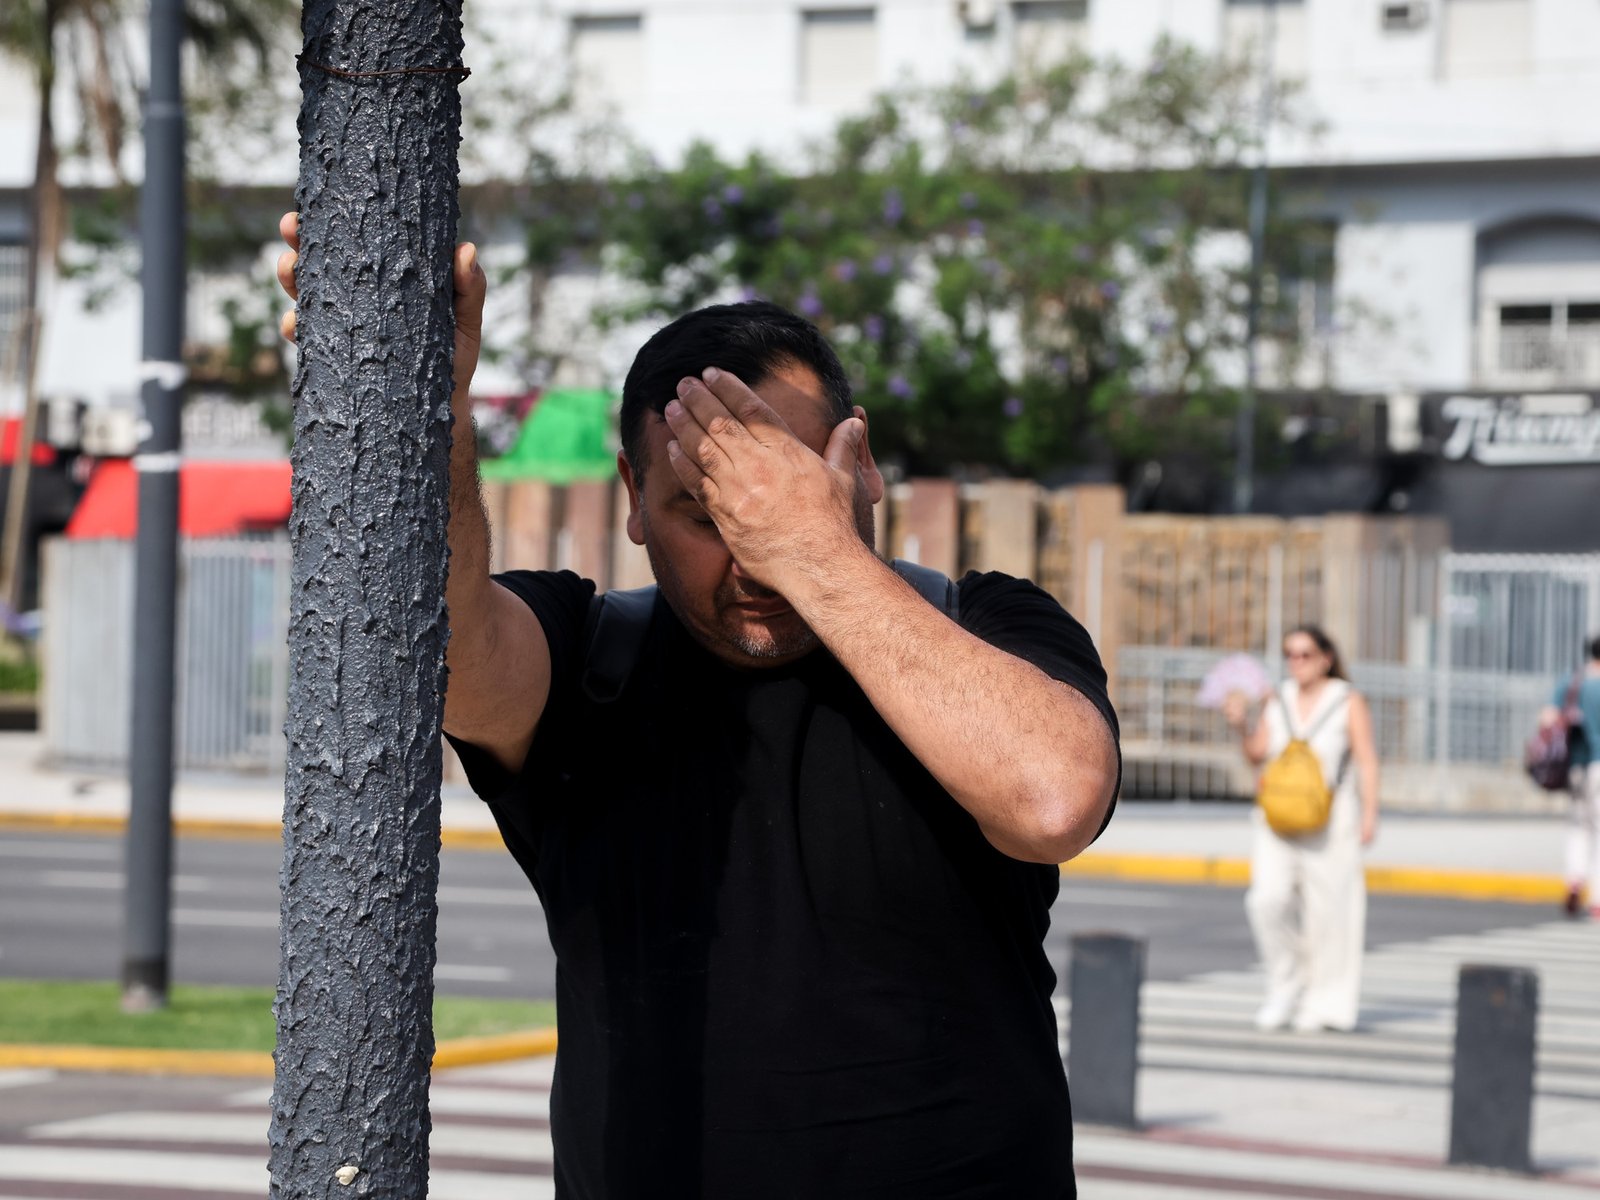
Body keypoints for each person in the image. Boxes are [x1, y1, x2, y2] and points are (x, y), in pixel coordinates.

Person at [275, 216, 1122, 1198]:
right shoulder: (588, 655)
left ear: (864, 467)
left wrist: (810, 544)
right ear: (633, 498)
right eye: (705, 513)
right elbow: (453, 660)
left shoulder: (982, 623)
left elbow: (1052, 799)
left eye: (778, 496)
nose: (752, 550)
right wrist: (424, 401)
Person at [1223, 626, 1378, 1033]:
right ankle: (1287, 982)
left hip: (1332, 820)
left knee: (1331, 916)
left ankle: (1325, 1004)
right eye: (1290, 654)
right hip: (1277, 817)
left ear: (1326, 658)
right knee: (1265, 902)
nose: (1296, 662)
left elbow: (1367, 760)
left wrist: (1370, 815)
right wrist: (1241, 725)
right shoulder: (1278, 698)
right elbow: (1257, 754)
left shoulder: (1347, 700)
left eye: (1305, 654)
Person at [1540, 637, 1600, 918]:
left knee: (1578, 826)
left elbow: (1548, 718)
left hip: (1577, 766)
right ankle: (1597, 899)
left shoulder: (1573, 682)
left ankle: (1575, 879)